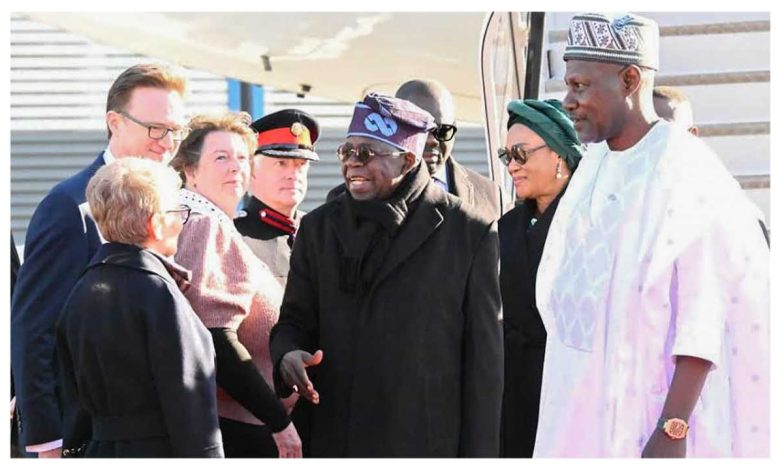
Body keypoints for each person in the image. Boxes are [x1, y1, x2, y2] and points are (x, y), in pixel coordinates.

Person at [534, 13, 769, 457]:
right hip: (583, 410)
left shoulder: (686, 169)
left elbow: (705, 314)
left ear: (629, 80)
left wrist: (672, 428)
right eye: (568, 86)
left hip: (651, 415)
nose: (568, 101)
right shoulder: (595, 164)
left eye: (580, 86)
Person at [270, 93, 503, 457]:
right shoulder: (319, 228)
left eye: (366, 153)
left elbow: (483, 369)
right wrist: (287, 355)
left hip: (423, 444)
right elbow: (293, 322)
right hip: (337, 440)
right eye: (347, 152)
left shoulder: (468, 232)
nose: (353, 163)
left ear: (407, 160)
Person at [11, 63, 189, 458]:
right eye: (155, 128)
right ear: (115, 122)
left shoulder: (175, 203)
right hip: (88, 439)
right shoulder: (72, 207)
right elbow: (33, 329)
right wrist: (46, 441)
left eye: (176, 130)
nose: (167, 143)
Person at [54, 158, 222, 457]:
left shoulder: (81, 289)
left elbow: (71, 399)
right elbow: (191, 405)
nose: (181, 222)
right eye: (177, 212)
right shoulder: (158, 293)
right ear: (155, 224)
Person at [170, 111, 302, 458]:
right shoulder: (203, 224)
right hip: (234, 432)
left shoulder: (212, 221)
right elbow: (216, 339)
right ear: (190, 170)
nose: (235, 167)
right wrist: (279, 423)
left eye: (242, 158)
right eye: (221, 158)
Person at [496, 99, 583, 458]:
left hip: (572, 392)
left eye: (521, 154)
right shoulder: (507, 226)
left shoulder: (590, 221)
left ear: (559, 154)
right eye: (507, 156)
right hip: (514, 395)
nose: (512, 166)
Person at [328, 79, 508, 221]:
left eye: (443, 130)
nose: (431, 140)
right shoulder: (345, 198)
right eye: (418, 131)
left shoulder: (490, 195)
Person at [235, 109, 319, 285]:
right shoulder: (234, 238)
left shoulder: (320, 232)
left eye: (301, 164)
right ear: (251, 170)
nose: (293, 174)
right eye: (281, 164)